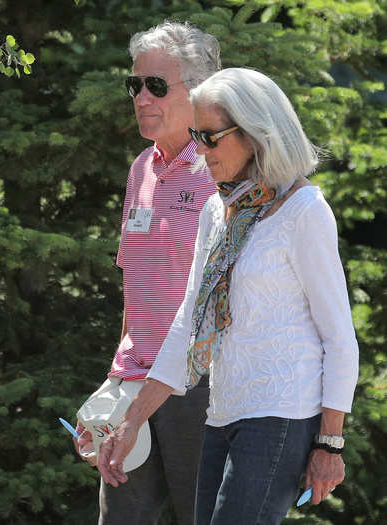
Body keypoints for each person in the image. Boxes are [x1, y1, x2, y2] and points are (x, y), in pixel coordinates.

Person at [97, 67, 360, 525]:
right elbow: (188, 324)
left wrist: (329, 443)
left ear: (258, 134)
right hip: (220, 415)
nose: (199, 150)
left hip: (281, 416)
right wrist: (131, 419)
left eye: (211, 137)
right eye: (196, 134)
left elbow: (339, 338)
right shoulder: (217, 211)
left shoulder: (304, 211)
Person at [74, 21, 220, 525]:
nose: (140, 97)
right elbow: (133, 284)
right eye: (134, 84)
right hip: (132, 383)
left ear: (198, 92)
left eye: (156, 85)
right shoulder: (141, 168)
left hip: (197, 386)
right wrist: (114, 379)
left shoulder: (221, 169)